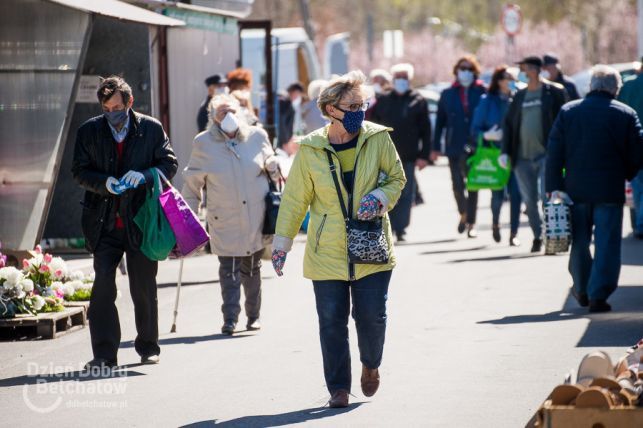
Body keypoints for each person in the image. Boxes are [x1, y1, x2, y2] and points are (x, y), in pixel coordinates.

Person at [270, 70, 406, 408]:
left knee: (372, 318)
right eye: (352, 105)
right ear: (331, 109)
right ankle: (339, 388)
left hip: (371, 245)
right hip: (325, 250)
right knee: (331, 323)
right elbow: (295, 199)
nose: (360, 110)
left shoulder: (377, 138)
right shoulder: (311, 149)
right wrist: (281, 244)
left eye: (363, 104)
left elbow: (397, 178)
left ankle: (371, 365)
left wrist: (380, 197)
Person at [71, 76, 178, 368]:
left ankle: (148, 346)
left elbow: (169, 163)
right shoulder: (90, 131)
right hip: (103, 222)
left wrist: (144, 175)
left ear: (130, 103)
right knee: (103, 285)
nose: (111, 114)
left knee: (143, 287)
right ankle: (104, 354)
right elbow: (79, 171)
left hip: (141, 221)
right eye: (106, 109)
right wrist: (104, 182)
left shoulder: (151, 128)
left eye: (117, 107)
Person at [546, 65, 643, 312]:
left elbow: (554, 153)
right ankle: (598, 294)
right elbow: (637, 153)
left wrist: (554, 187)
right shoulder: (626, 114)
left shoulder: (568, 112)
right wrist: (626, 174)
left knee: (579, 241)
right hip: (609, 189)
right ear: (616, 89)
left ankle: (581, 287)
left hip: (575, 189)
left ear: (590, 86)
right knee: (607, 243)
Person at [182, 94, 279, 335]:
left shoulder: (257, 136)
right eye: (222, 112)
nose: (228, 116)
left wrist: (274, 165)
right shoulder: (203, 143)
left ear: (241, 112)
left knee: (252, 268)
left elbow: (272, 169)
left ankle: (253, 316)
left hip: (255, 216)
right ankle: (230, 319)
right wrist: (187, 218)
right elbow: (193, 184)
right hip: (224, 218)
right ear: (213, 117)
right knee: (229, 270)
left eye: (232, 110)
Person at [499, 56, 567, 253]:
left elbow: (564, 121)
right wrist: (505, 152)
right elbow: (509, 125)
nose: (522, 73)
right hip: (522, 157)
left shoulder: (553, 92)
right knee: (529, 200)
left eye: (525, 69)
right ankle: (538, 236)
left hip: (546, 154)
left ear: (536, 70)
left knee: (547, 198)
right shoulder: (519, 96)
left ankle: (551, 236)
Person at [371, 62, 431, 242]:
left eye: (405, 77)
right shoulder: (383, 100)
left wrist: (424, 155)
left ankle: (401, 229)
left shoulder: (418, 100)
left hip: (409, 156)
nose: (401, 81)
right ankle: (389, 225)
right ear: (393, 79)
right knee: (387, 191)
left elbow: (426, 131)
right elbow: (373, 126)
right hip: (385, 156)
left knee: (406, 193)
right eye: (398, 78)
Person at [431, 55, 487, 238]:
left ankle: (471, 222)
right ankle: (463, 212)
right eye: (462, 68)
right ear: (456, 71)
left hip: (475, 144)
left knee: (473, 184)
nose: (465, 72)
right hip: (454, 144)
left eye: (469, 69)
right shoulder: (448, 94)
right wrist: (434, 147)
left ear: (475, 71)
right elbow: (440, 122)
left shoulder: (482, 91)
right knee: (456, 184)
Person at [471, 66, 522, 246]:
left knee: (516, 194)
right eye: (508, 78)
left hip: (517, 152)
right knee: (498, 193)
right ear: (499, 80)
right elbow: (475, 128)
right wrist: (486, 135)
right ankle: (495, 223)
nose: (511, 81)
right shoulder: (487, 100)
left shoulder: (518, 98)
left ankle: (514, 232)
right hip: (495, 152)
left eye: (514, 78)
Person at [617, 59, 643, 239]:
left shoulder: (628, 86)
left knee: (637, 185)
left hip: (632, 141)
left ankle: (639, 224)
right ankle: (640, 223)